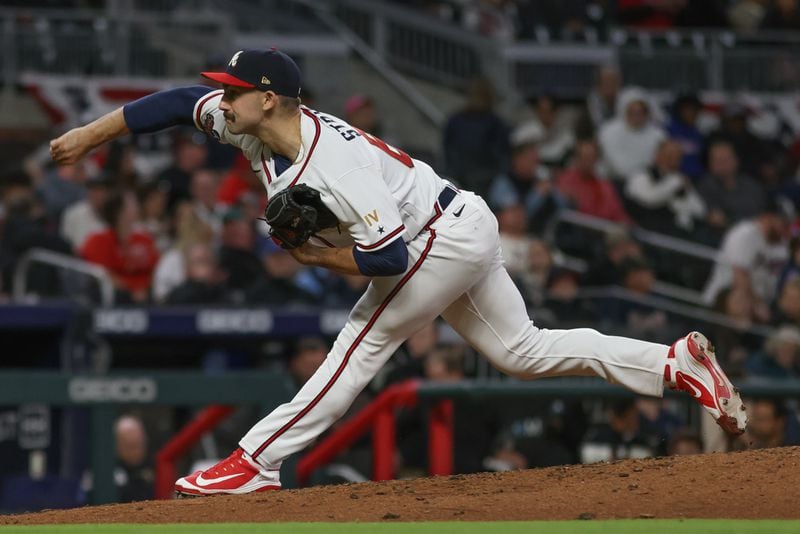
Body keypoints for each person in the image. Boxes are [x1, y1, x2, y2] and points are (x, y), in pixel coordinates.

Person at [50, 48, 747, 497]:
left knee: (360, 347)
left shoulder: (333, 166)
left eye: (233, 90)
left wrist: (318, 256)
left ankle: (252, 461)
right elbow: (174, 103)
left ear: (270, 98)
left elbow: (386, 260)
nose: (221, 99)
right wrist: (90, 133)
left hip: (435, 236)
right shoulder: (247, 126)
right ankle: (676, 362)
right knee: (522, 350)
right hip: (453, 222)